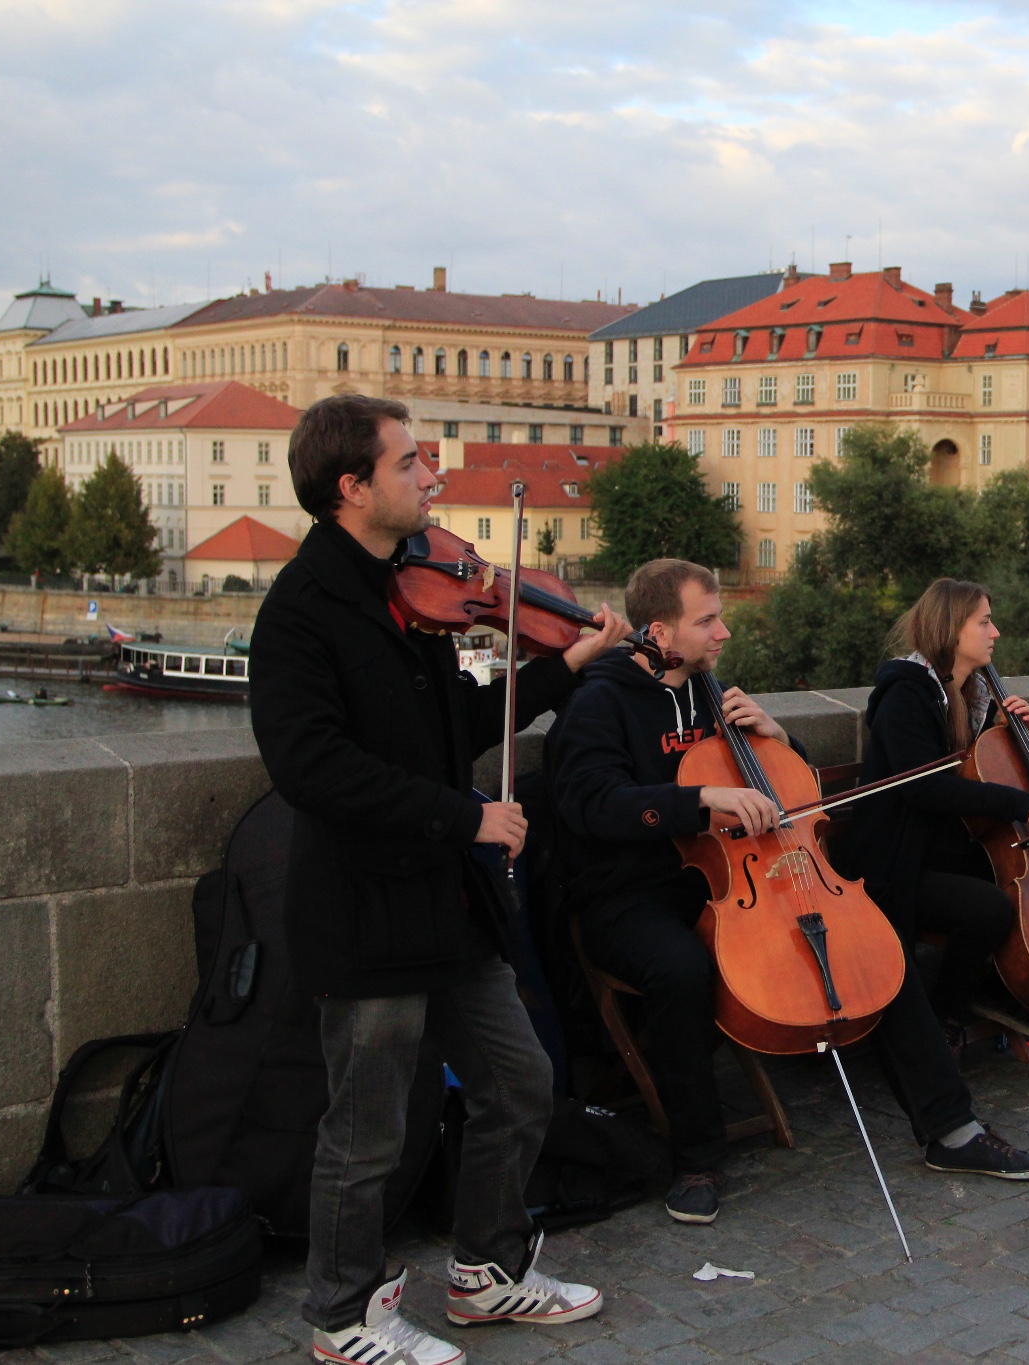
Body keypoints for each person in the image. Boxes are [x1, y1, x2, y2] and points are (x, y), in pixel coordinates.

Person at [251, 394, 625, 1365]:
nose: (430, 478)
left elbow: (461, 724)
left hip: (446, 903)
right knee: (369, 1128)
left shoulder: (404, 595)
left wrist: (567, 666)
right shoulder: (301, 611)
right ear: (352, 486)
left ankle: (484, 1273)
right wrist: (466, 816)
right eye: (411, 463)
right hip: (364, 909)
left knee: (517, 1081)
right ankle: (340, 1318)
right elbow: (310, 767)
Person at [546, 559, 1029, 1227]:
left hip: (741, 875)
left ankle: (952, 1128)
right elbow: (592, 803)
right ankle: (696, 1157)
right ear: (658, 631)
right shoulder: (600, 702)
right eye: (708, 621)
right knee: (680, 967)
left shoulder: (713, 693)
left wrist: (774, 733)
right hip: (635, 891)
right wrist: (699, 798)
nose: (724, 632)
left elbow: (795, 786)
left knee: (871, 944)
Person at [845, 579, 1029, 1039]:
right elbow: (926, 788)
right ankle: (948, 1010)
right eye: (984, 622)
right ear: (951, 630)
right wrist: (1023, 804)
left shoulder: (970, 695)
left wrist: (1027, 728)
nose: (995, 632)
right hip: (893, 859)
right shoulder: (906, 694)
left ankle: (1001, 987)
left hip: (941, 848)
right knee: (989, 907)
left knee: (1023, 891)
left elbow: (984, 769)